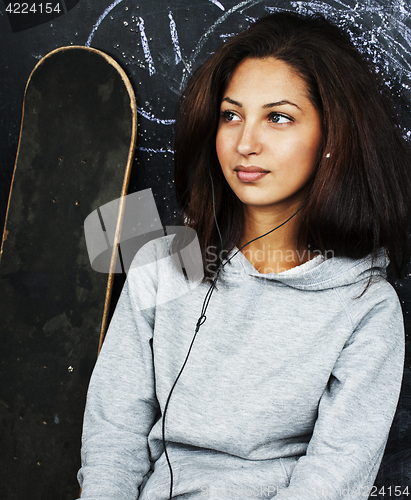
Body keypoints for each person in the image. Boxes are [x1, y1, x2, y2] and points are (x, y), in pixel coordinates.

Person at [77, 11, 411, 500]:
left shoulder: (366, 305)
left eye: (278, 117)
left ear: (331, 140)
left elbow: (334, 479)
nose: (245, 143)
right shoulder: (161, 264)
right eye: (231, 115)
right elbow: (114, 436)